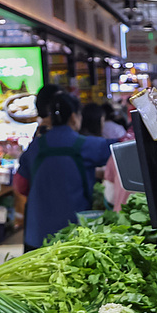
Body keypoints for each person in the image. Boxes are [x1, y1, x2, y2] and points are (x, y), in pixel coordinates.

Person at [16, 86, 110, 249]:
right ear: (74, 117)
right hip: (73, 237)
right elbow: (121, 150)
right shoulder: (86, 145)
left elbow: (20, 185)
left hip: (37, 236)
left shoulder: (35, 147)